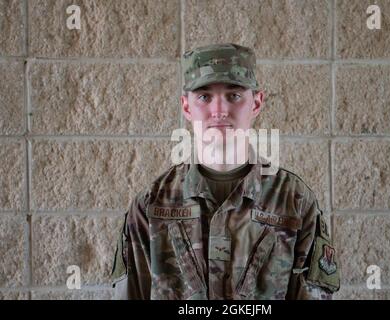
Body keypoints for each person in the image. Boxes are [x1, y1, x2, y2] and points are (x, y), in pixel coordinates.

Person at [110, 43, 340, 300]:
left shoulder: (294, 201)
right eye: (204, 97)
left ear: (256, 103)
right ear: (186, 107)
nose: (219, 111)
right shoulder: (150, 206)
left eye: (234, 95)